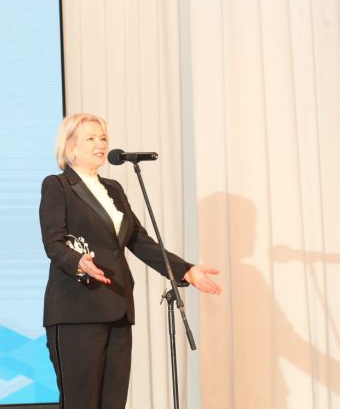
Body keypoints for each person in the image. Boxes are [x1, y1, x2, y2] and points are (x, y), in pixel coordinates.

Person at [40, 113, 221, 409]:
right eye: (91, 138)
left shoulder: (113, 189)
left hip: (118, 307)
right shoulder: (58, 186)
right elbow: (53, 242)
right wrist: (78, 262)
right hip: (76, 310)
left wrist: (185, 270)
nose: (100, 144)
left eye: (103, 138)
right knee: (81, 403)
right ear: (70, 145)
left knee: (113, 402)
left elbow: (138, 240)